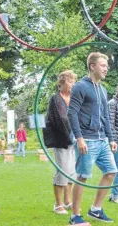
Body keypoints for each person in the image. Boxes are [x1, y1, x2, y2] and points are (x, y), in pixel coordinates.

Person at [67, 52, 118, 224]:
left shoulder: (103, 90)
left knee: (112, 172)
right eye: (103, 65)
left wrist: (111, 138)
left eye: (106, 66)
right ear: (92, 66)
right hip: (87, 139)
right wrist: (79, 138)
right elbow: (72, 112)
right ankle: (75, 216)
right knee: (83, 176)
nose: (106, 69)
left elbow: (105, 116)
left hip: (102, 139)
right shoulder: (81, 86)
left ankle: (95, 209)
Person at [43, 70, 77, 215]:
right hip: (61, 140)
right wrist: (74, 136)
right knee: (62, 171)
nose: (72, 84)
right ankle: (58, 204)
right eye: (70, 81)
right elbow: (62, 120)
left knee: (71, 172)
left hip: (74, 139)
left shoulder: (73, 98)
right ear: (62, 83)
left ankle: (68, 201)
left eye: (73, 82)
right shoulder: (56, 99)